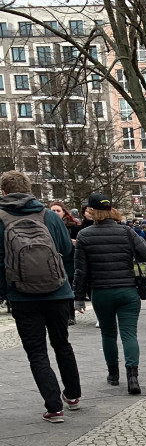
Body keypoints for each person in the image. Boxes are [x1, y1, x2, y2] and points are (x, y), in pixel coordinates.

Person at [0, 170, 80, 422]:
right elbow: (67, 249)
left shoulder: (0, 218)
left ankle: (54, 407)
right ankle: (74, 395)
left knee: (36, 351)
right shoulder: (48, 215)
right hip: (57, 291)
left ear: (3, 191)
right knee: (62, 344)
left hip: (21, 294)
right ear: (29, 188)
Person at [73, 193, 146, 394]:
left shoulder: (84, 235)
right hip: (127, 291)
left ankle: (113, 374)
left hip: (101, 292)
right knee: (129, 334)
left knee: (108, 333)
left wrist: (79, 298)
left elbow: (81, 271)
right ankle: (132, 377)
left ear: (91, 211)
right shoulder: (126, 231)